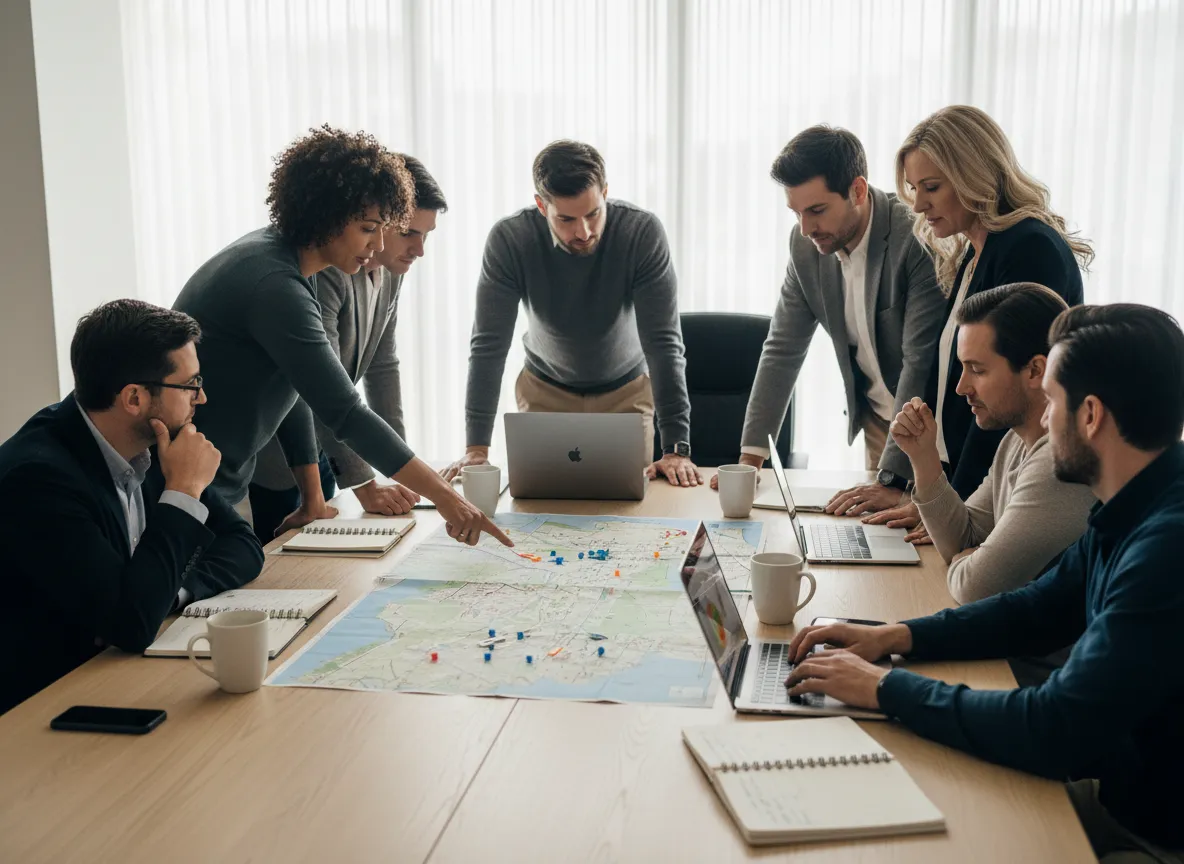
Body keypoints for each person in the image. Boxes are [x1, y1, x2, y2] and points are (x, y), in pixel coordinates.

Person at [786, 303, 1184, 862]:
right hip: (1122, 797)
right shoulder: (1135, 505)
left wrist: (883, 689)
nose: (1045, 419)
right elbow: (1035, 609)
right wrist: (894, 636)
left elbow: (1053, 727)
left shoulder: (1164, 551)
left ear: (1090, 415)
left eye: (1054, 401)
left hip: (1150, 838)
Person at [173, 126, 509, 548]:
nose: (379, 243)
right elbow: (345, 411)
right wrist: (448, 500)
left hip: (217, 476)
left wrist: (313, 497)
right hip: (191, 480)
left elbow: (296, 386)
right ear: (327, 217)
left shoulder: (292, 264)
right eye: (369, 228)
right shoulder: (275, 284)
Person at [827, 105, 1093, 539]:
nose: (918, 204)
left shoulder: (1028, 248)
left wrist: (959, 510)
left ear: (974, 175)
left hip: (1011, 495)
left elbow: (1008, 396)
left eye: (932, 187)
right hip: (971, 491)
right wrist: (934, 497)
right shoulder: (976, 249)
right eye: (913, 188)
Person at [0, 300, 264, 714]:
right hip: (47, 704)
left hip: (116, 673)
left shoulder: (149, 442)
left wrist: (171, 593)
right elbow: (131, 624)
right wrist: (184, 491)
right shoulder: (39, 479)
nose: (202, 397)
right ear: (135, 398)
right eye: (190, 385)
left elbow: (243, 544)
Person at [442, 140, 701, 488]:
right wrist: (476, 448)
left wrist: (676, 448)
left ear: (605, 193)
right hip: (544, 392)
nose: (584, 232)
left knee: (628, 507)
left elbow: (664, 344)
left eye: (593, 213)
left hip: (626, 393)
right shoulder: (510, 239)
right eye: (565, 219)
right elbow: (489, 345)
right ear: (541, 205)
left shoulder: (641, 232)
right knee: (540, 504)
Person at [715, 124, 945, 493]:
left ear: (857, 191)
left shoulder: (914, 236)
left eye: (817, 210)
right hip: (878, 422)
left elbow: (919, 360)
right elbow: (782, 348)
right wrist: (750, 460)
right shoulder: (804, 246)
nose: (806, 228)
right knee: (875, 526)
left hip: (933, 426)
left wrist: (891, 477)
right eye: (796, 213)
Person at [248, 155, 447, 541]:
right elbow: (325, 391)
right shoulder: (325, 271)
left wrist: (400, 466)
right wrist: (366, 484)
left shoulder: (391, 269)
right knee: (282, 560)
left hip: (331, 449)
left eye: (427, 235)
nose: (419, 250)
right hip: (277, 456)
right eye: (409, 233)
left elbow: (383, 365)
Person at [891, 283, 1094, 603]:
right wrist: (923, 457)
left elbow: (975, 587)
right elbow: (964, 538)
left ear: (1035, 371)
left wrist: (968, 561)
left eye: (977, 370)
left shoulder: (1059, 460)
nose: (961, 387)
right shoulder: (1015, 439)